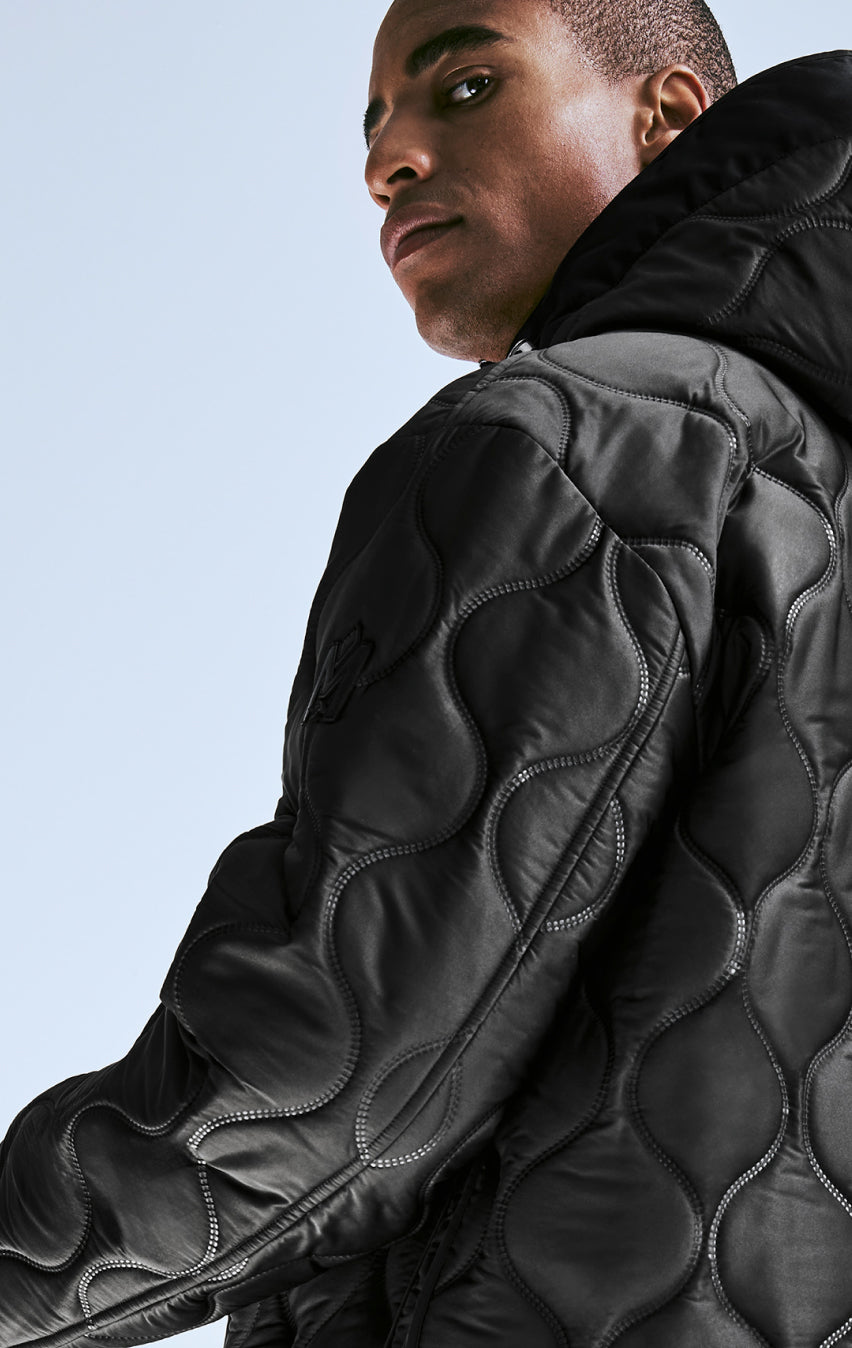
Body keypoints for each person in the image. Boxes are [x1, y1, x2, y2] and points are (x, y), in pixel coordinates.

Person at [1, 0, 851, 1343]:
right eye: (373, 125)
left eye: (463, 87)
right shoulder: (810, 484)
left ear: (670, 117)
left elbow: (323, 1093)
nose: (385, 160)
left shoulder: (572, 445)